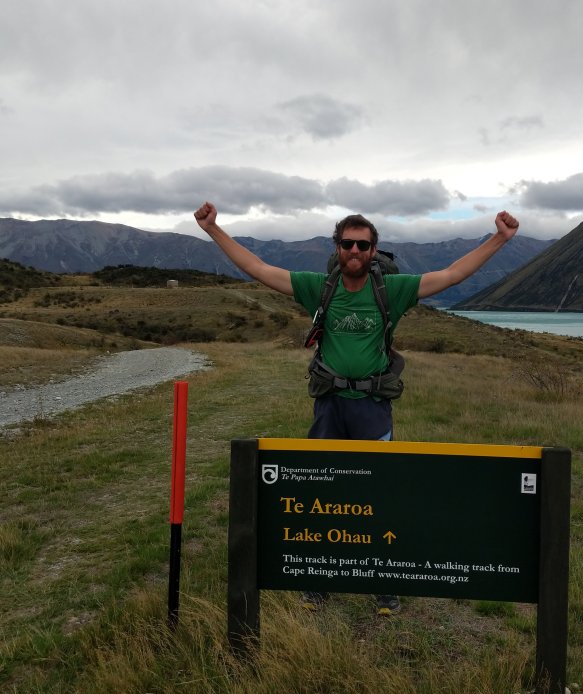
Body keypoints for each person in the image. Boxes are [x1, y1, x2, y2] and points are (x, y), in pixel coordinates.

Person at [194, 201, 519, 615]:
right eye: (348, 244)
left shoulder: (391, 290)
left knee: (379, 493)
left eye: (363, 245)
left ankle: (383, 582)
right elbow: (257, 268)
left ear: (373, 250)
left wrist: (500, 239)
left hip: (371, 406)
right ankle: (318, 581)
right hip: (329, 405)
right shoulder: (318, 287)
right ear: (337, 247)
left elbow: (452, 274)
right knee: (322, 495)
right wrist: (213, 229)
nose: (354, 251)